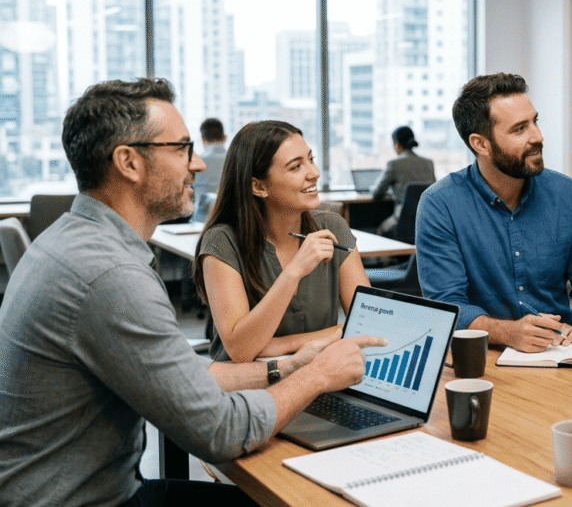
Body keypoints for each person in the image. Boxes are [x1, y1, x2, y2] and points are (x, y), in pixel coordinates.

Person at [0, 78, 385, 507]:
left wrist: (289, 366)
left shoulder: (74, 242)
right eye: (182, 148)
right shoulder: (109, 274)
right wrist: (317, 377)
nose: (198, 163)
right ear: (128, 162)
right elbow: (222, 433)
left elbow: (183, 373)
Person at [417, 72, 572, 353]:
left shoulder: (567, 194)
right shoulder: (440, 204)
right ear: (480, 144)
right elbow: (448, 305)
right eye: (520, 129)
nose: (538, 136)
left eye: (535, 121)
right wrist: (509, 332)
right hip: (481, 358)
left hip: (558, 354)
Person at [195, 120, 372, 363]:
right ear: (258, 186)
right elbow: (241, 350)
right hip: (247, 390)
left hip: (319, 378)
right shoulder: (221, 241)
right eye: (296, 167)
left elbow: (367, 324)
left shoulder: (332, 226)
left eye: (311, 159)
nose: (314, 173)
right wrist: (294, 272)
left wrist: (271, 346)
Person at [370, 125, 436, 239]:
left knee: (380, 231)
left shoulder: (394, 164)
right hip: (427, 221)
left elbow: (376, 193)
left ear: (396, 144)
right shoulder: (428, 163)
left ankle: (388, 258)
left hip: (401, 220)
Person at [192, 117, 227, 218]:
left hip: (201, 218)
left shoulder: (196, 162)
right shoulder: (236, 160)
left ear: (203, 138)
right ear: (224, 137)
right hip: (230, 218)